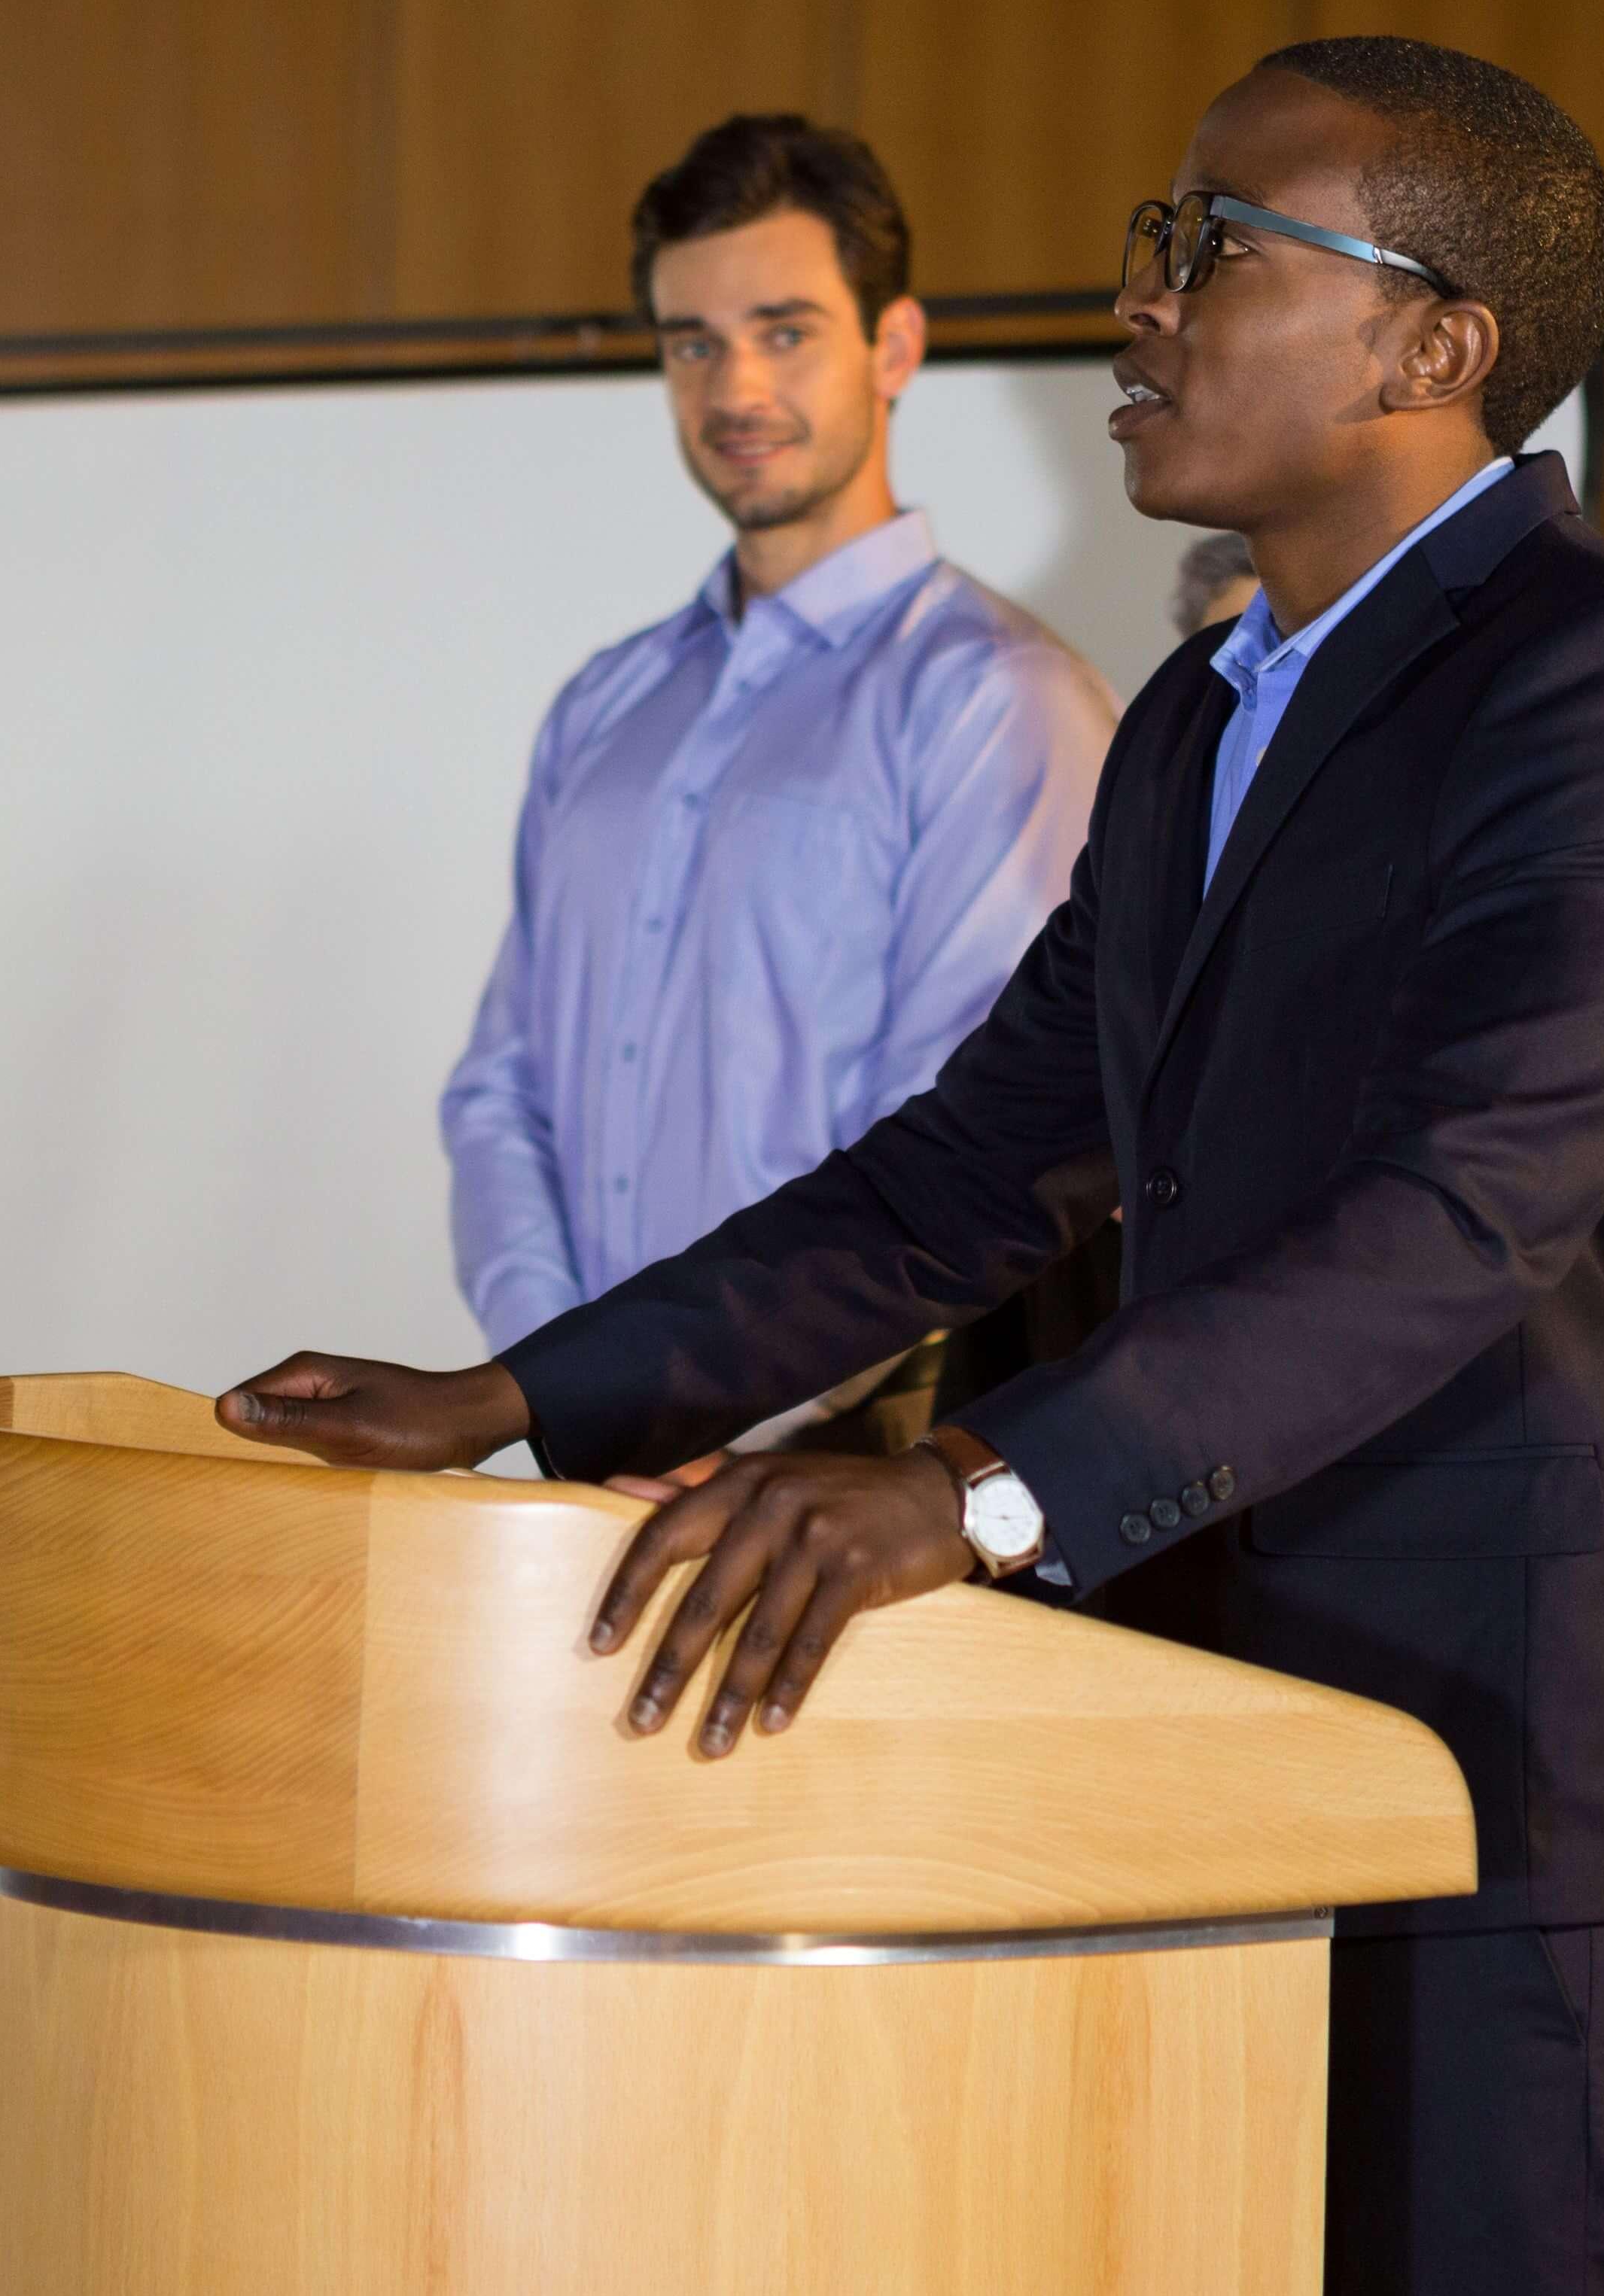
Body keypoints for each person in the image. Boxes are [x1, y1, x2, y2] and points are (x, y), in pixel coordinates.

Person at [227, 38, 1604, 2296]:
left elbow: (1466, 1212)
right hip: (1183, 1742)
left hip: (1508, 1769)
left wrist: (968, 1491)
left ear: (1436, 345)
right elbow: (977, 1171)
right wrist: (524, 1393)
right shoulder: (1193, 715)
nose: (1137, 305)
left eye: (1211, 248)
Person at [437, 112, 1114, 1450]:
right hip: (583, 1468)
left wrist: (671, 1410)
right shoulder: (604, 706)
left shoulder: (997, 700)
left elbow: (964, 1150)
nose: (735, 388)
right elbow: (501, 1090)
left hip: (843, 1482)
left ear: (897, 347)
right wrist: (567, 1386)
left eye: (785, 330)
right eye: (693, 343)